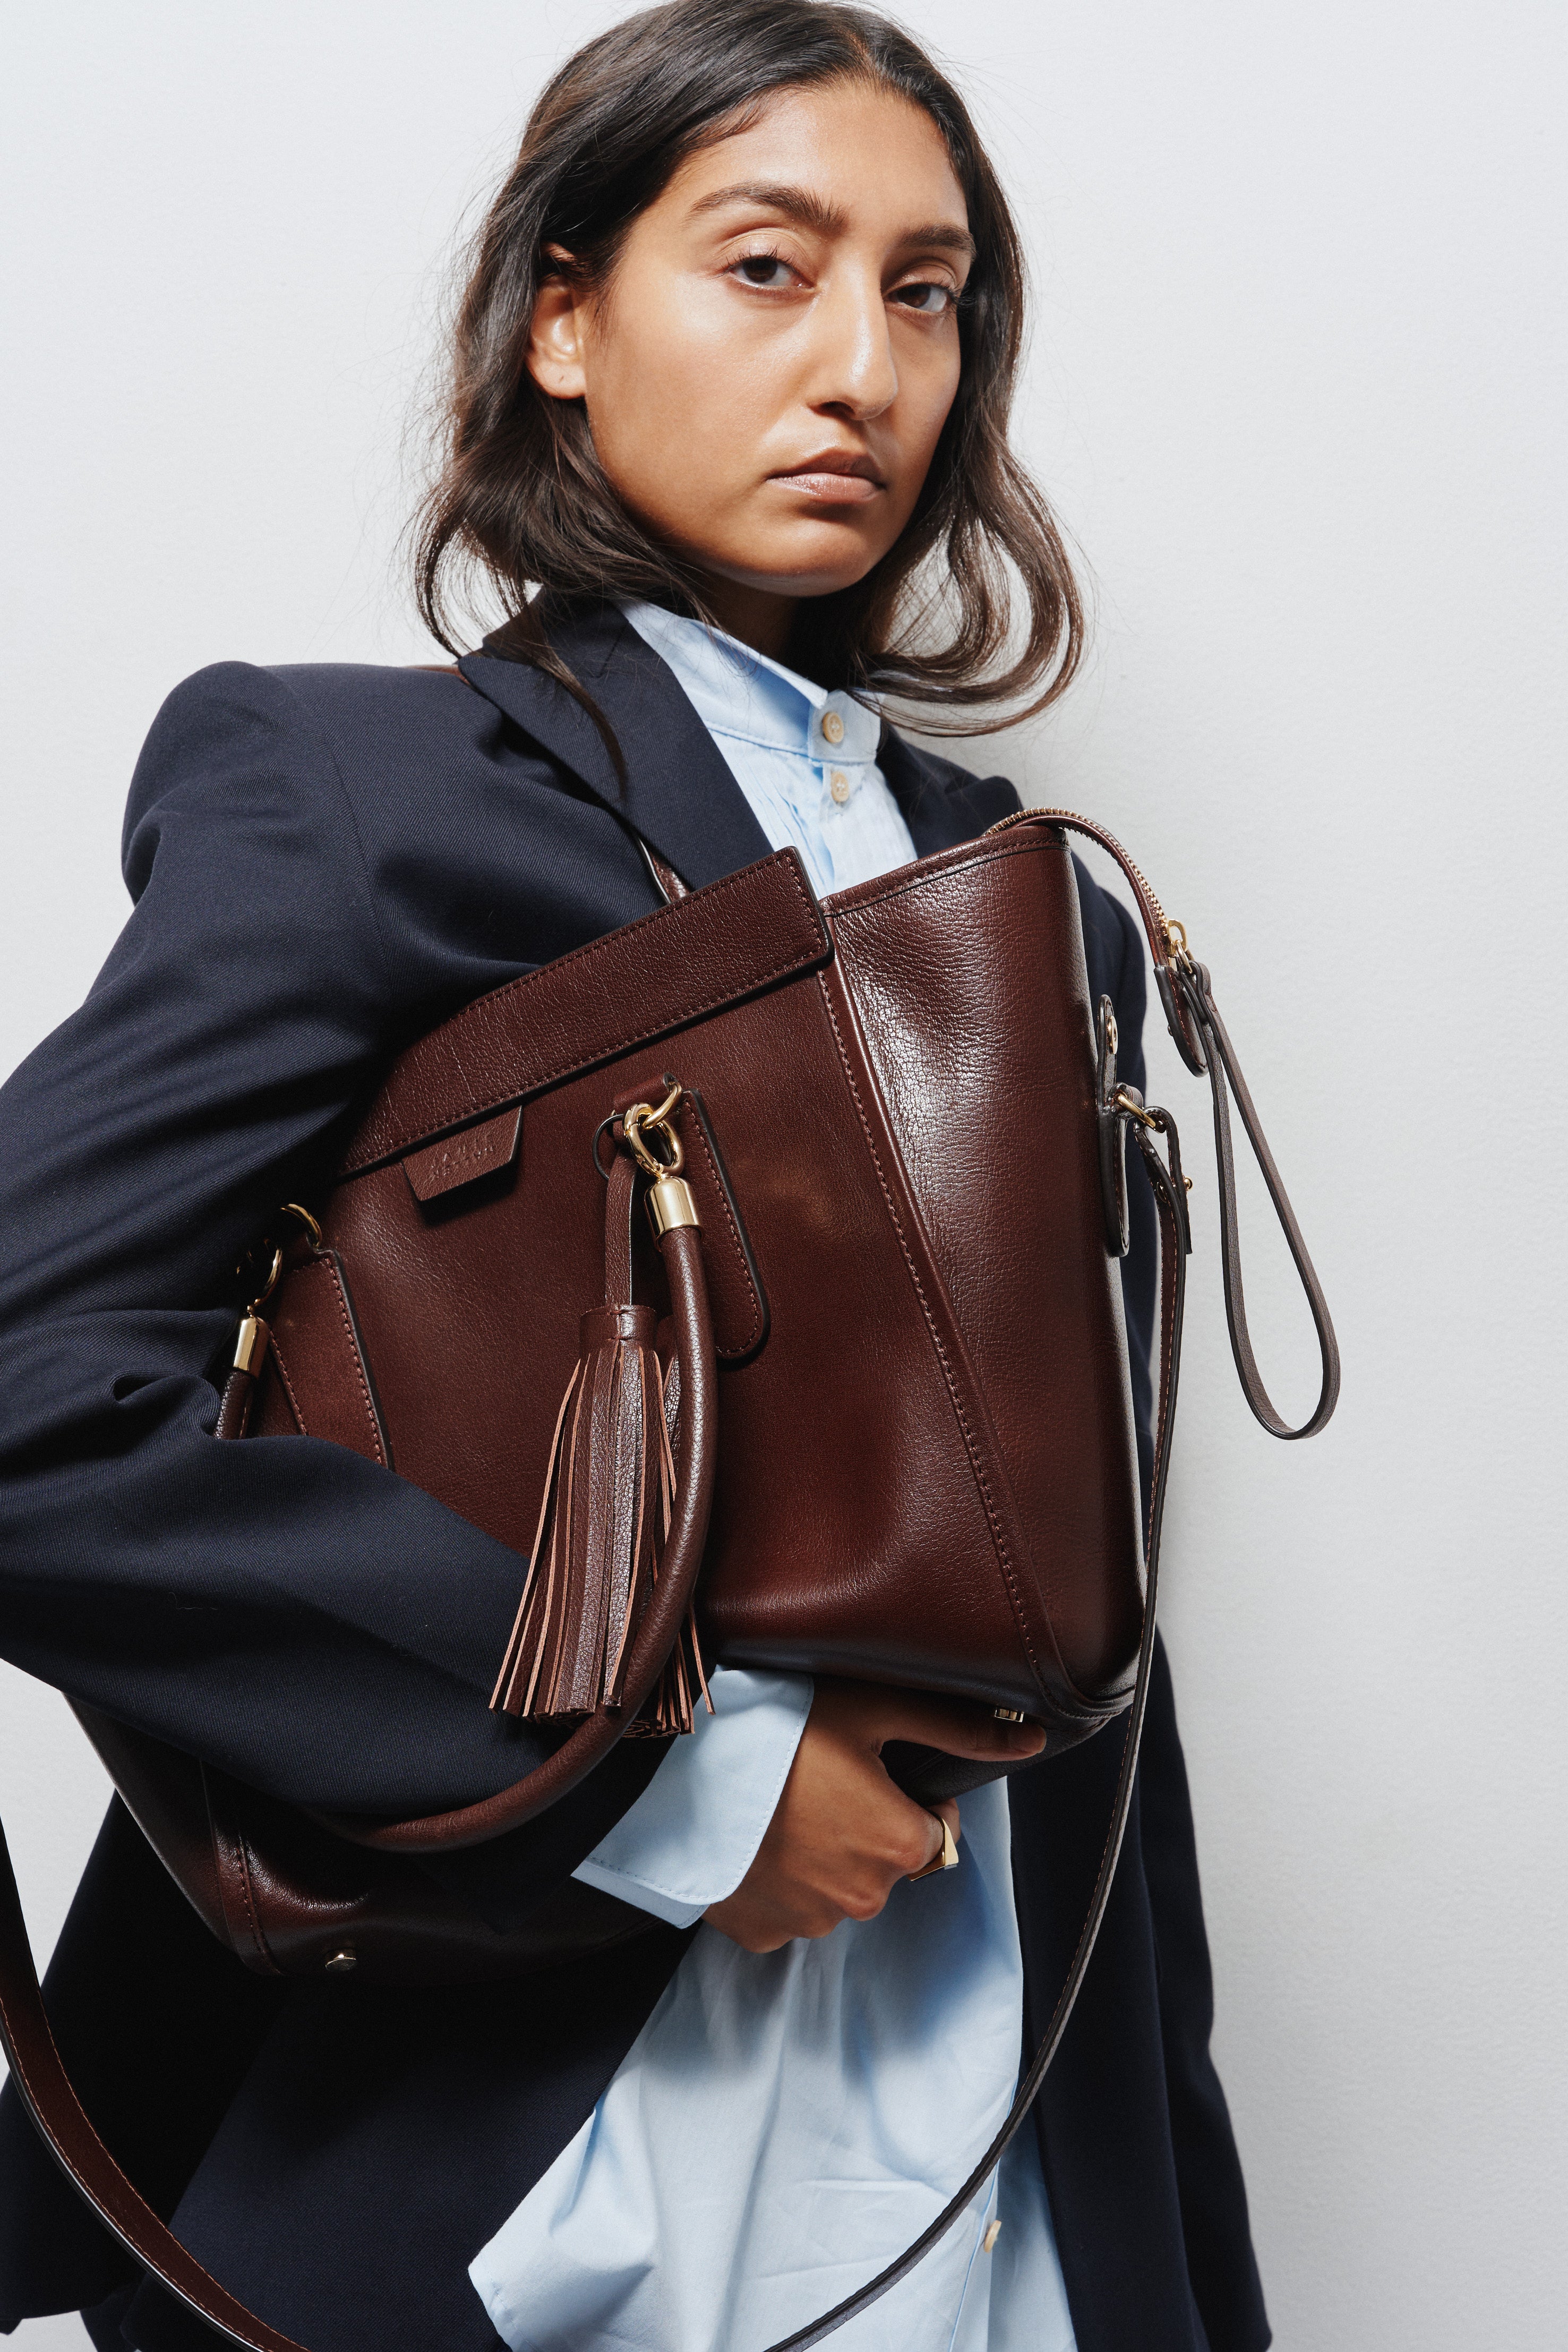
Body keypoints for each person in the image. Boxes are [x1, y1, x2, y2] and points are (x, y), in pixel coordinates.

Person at [0, 5, 1270, 2349]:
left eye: (926, 289)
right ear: (562, 319)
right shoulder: (353, 790)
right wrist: (681, 1783)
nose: (864, 365)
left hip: (1012, 2193)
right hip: (513, 2183)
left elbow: (1081, 1642)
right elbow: (24, 1398)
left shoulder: (1025, 898)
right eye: (768, 265)